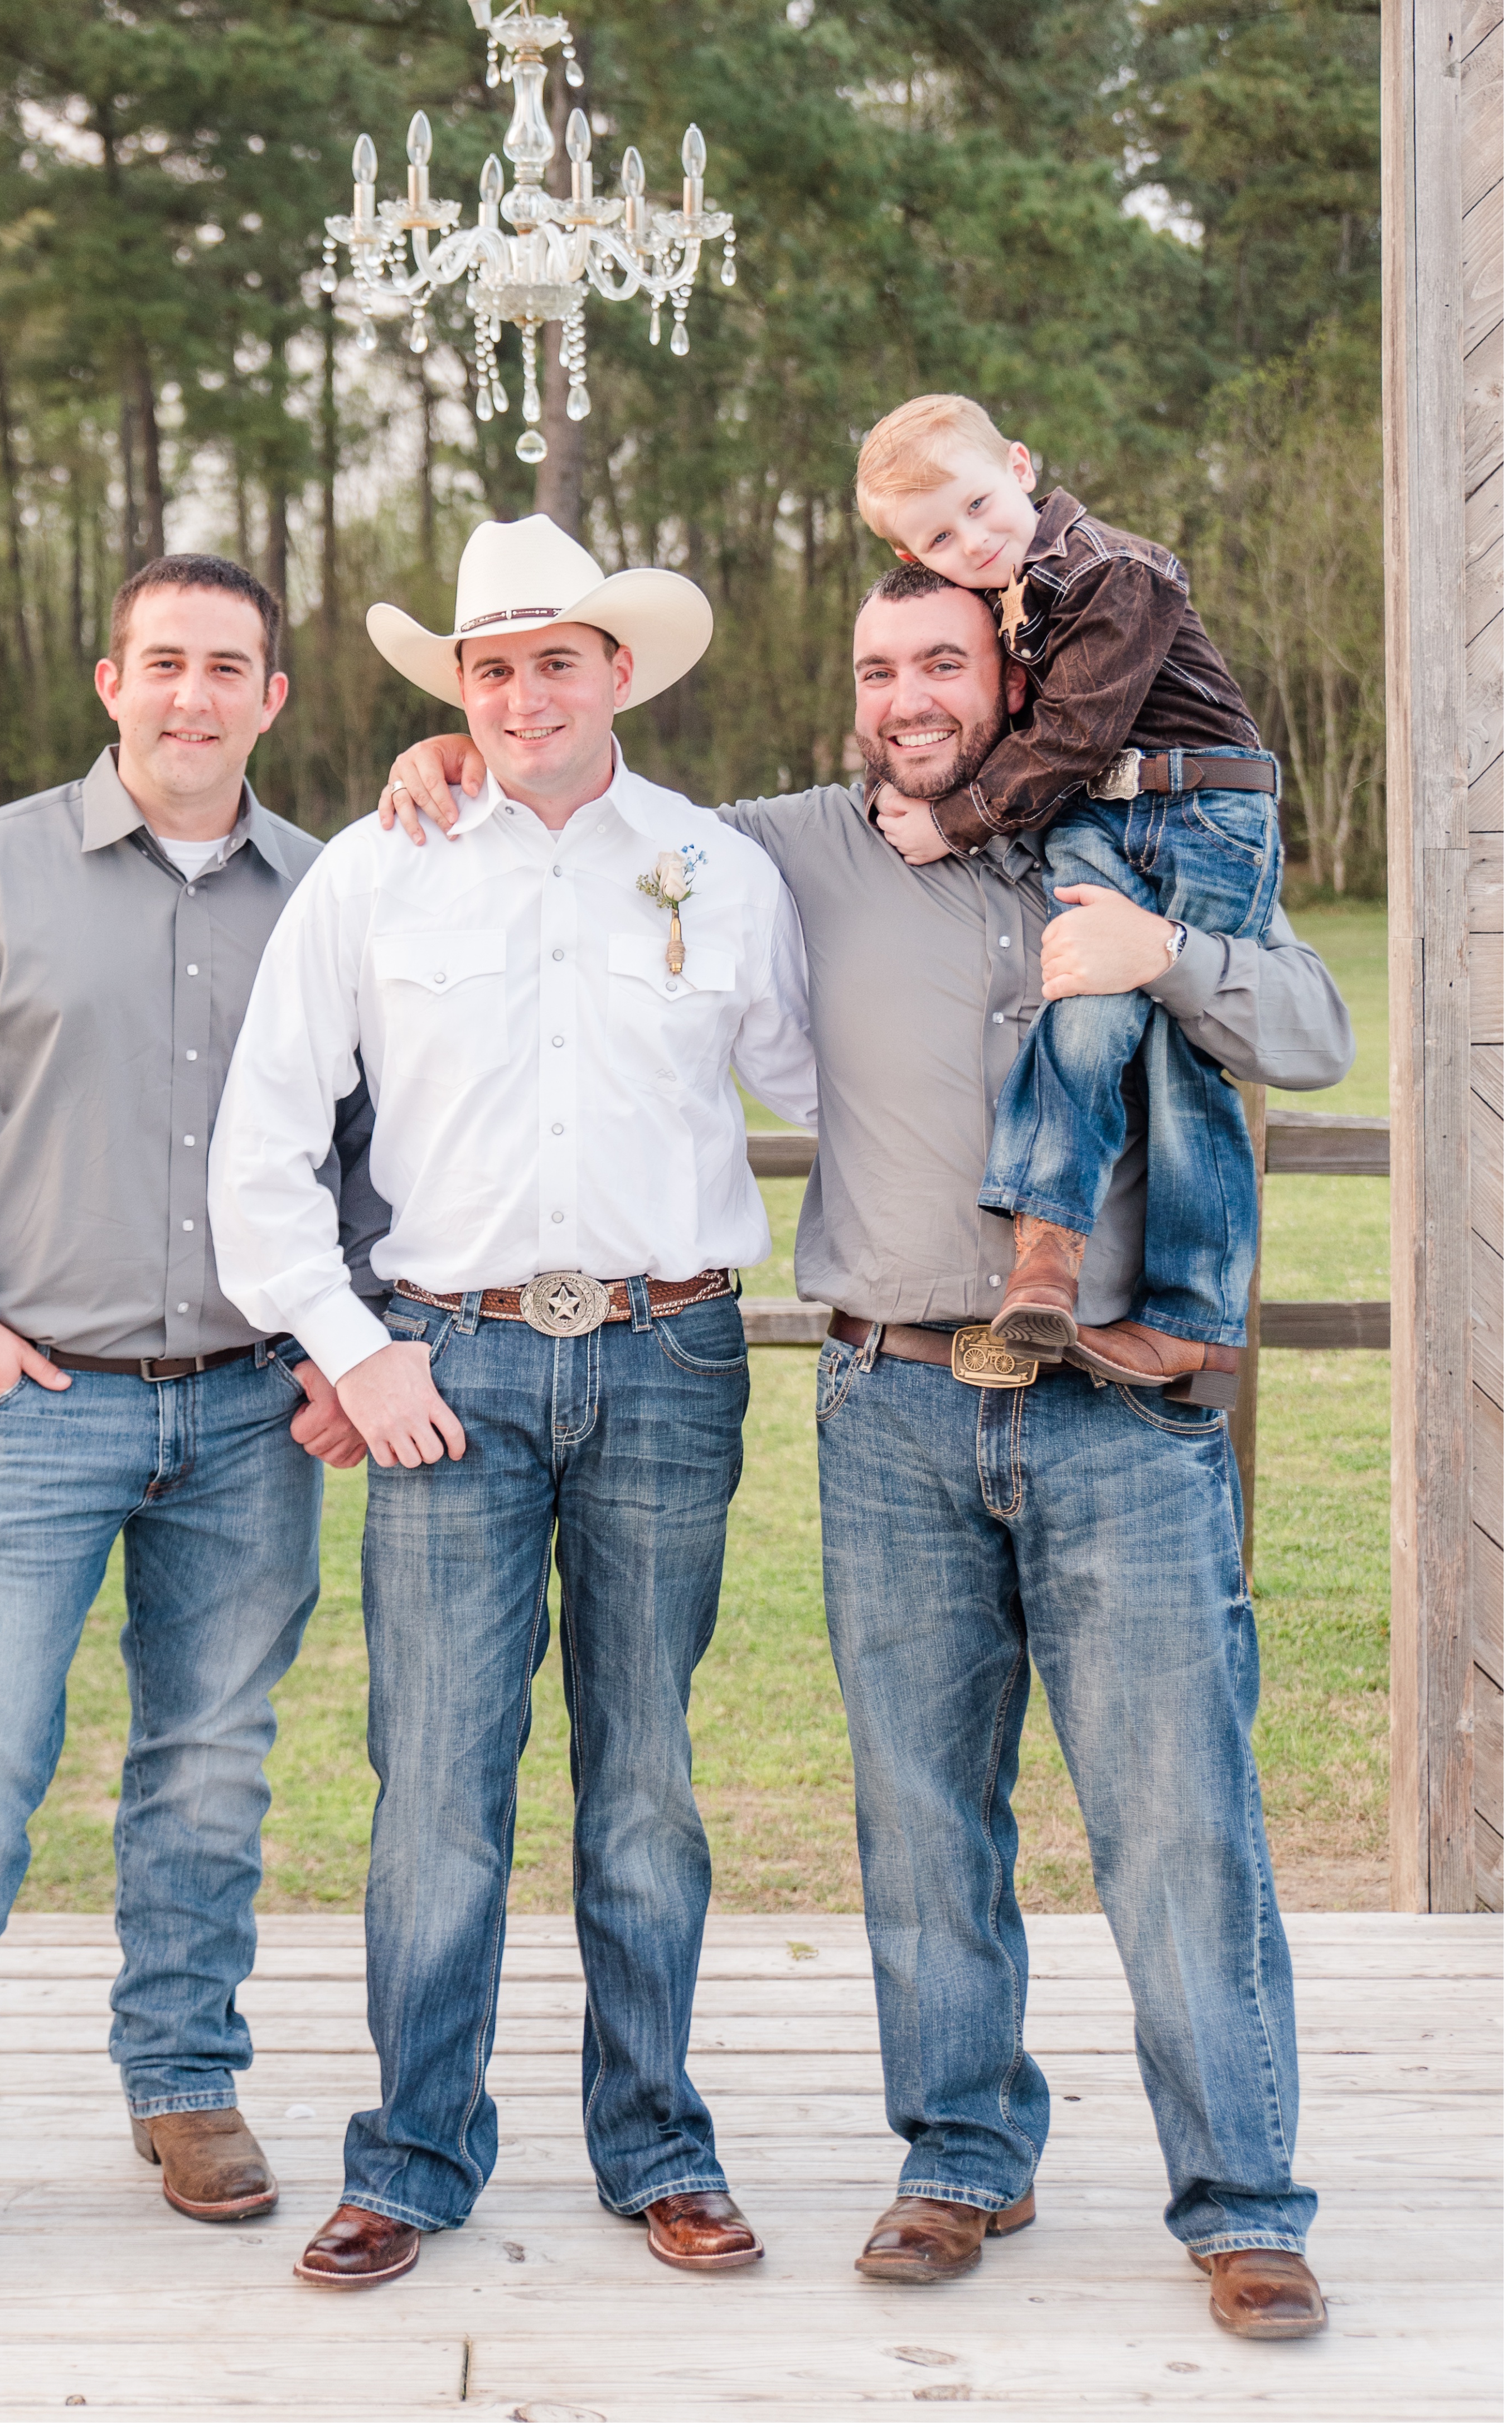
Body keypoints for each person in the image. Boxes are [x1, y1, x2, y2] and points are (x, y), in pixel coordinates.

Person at [379, 559, 1354, 2345]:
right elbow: (589, 803)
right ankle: (961, 2156)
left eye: (940, 662)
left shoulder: (1142, 838)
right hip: (890, 1398)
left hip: (1119, 1414)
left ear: (1018, 679)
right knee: (919, 1820)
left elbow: (1309, 1031)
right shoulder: (786, 851)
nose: (904, 694)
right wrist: (452, 765)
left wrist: (1171, 959)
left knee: (1175, 1823)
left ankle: (1241, 2199)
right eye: (875, 665)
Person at [207, 514, 818, 2292]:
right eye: (492, 667)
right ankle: (410, 2157)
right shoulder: (375, 871)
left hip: (670, 1352)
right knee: (437, 1792)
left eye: (558, 659)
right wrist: (348, 1340)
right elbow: (260, 1139)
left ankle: (656, 2147)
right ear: (455, 690)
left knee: (643, 1782)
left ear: (620, 672)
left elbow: (819, 1087)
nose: (526, 692)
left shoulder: (714, 865)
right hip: (446, 1369)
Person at [0, 554, 382, 2306]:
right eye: (163, 664)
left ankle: (185, 2086)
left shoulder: (334, 896)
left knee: (208, 1770)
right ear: (108, 682)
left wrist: (332, 1342)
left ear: (273, 700)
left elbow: (383, 1139)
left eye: (228, 668)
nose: (192, 695)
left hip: (247, 1415)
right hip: (31, 1410)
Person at [856, 391, 1282, 1403]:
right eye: (938, 539)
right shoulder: (1004, 605)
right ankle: (1046, 1255)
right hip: (1096, 815)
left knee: (1188, 1058)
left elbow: (1079, 737)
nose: (972, 540)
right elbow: (982, 727)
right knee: (1080, 1004)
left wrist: (954, 820)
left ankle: (1191, 1319)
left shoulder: (1114, 571)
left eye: (975, 505)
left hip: (1203, 813)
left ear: (1019, 463)